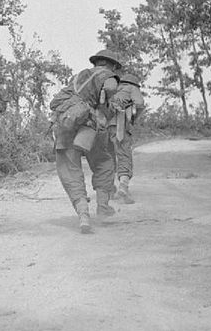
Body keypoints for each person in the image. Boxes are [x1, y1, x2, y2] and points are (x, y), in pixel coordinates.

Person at [49, 49, 125, 233]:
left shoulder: (79, 77)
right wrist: (107, 100)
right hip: (89, 126)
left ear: (96, 62)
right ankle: (103, 206)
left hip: (65, 125)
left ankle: (83, 213)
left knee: (70, 170)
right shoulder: (106, 74)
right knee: (104, 162)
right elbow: (110, 86)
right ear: (112, 65)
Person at [109, 72, 145, 204]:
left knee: (108, 157)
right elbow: (140, 104)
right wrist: (134, 118)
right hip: (120, 125)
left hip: (103, 127)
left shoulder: (113, 89)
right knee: (124, 154)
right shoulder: (132, 88)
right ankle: (123, 188)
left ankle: (108, 189)